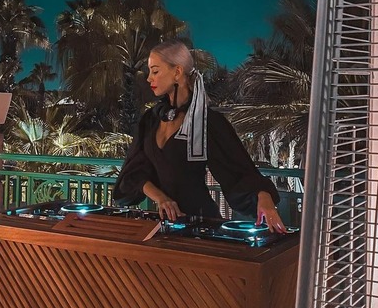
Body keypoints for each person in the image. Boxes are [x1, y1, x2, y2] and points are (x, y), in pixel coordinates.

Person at [113, 40, 287, 232]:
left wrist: (265, 199)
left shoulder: (207, 121)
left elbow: (239, 171)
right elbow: (135, 173)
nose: (148, 79)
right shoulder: (150, 120)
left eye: (155, 71)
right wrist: (162, 199)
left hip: (203, 223)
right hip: (167, 223)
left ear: (177, 72)